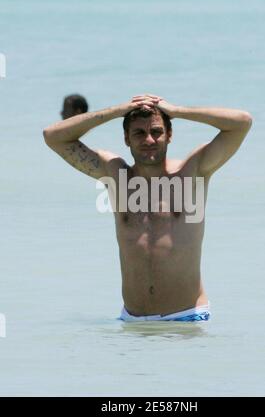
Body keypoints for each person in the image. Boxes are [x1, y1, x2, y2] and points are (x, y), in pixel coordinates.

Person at [43, 94, 252, 322]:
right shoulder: (116, 176)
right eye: (139, 133)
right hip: (132, 322)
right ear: (126, 138)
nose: (149, 140)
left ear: (169, 135)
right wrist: (117, 111)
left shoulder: (192, 173)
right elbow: (53, 136)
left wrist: (178, 111)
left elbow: (241, 122)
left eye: (157, 132)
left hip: (186, 319)